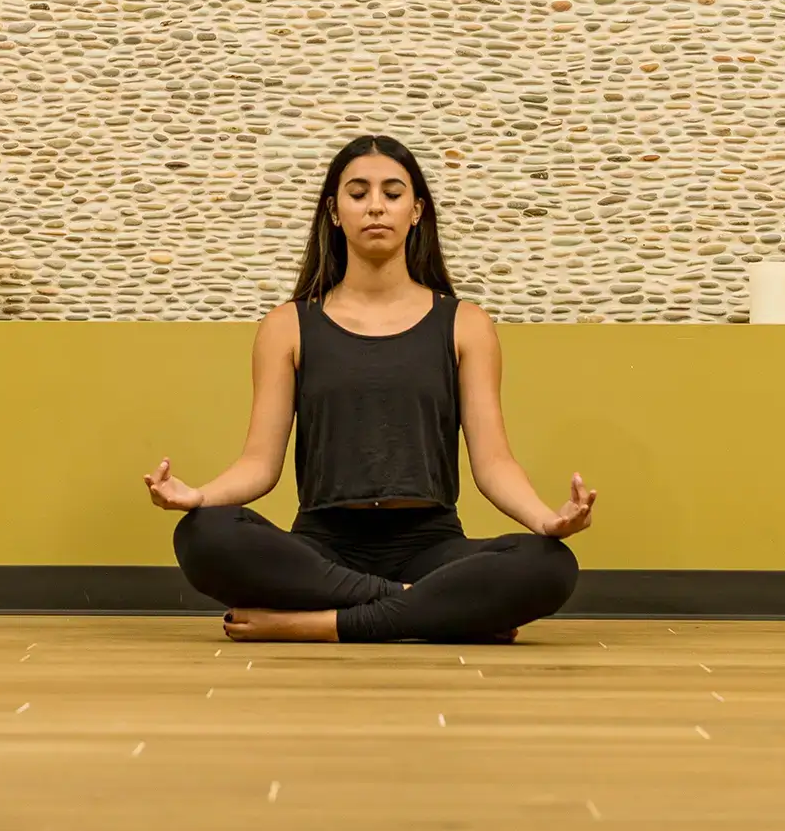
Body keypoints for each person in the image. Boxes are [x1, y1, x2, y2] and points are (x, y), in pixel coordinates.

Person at [142, 134, 595, 642]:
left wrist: (546, 521)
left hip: (432, 546)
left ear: (416, 211)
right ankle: (429, 609)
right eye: (358, 193)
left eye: (392, 193)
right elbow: (259, 465)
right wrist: (199, 496)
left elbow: (493, 464)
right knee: (203, 534)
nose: (375, 206)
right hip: (322, 549)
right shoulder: (287, 326)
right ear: (334, 212)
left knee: (551, 565)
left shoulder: (465, 324)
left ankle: (323, 624)